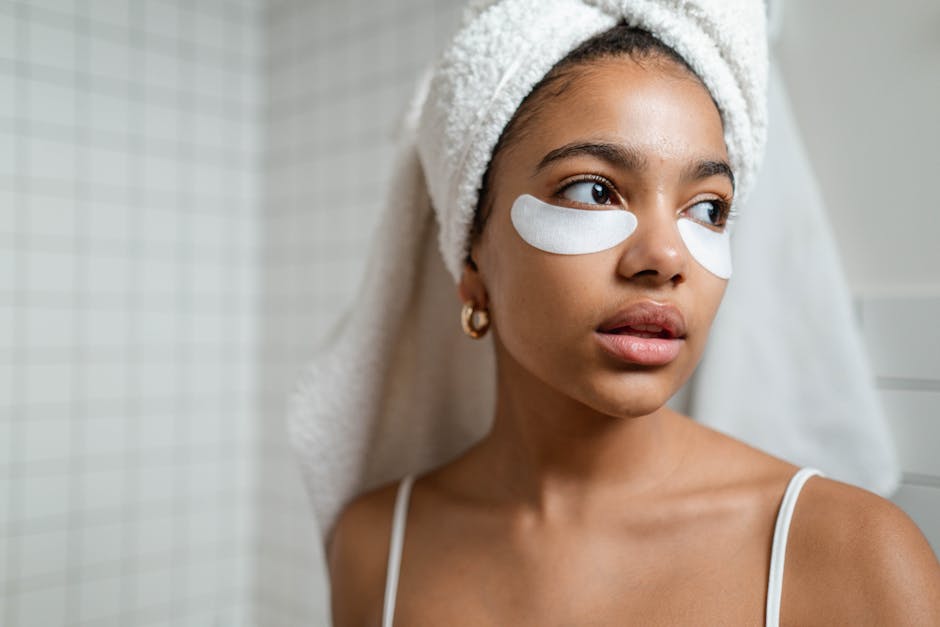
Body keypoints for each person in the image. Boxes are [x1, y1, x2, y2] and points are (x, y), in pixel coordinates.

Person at [322, 6, 940, 627]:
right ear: (472, 262)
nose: (667, 258)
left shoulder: (859, 560)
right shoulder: (374, 547)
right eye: (593, 190)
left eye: (707, 208)